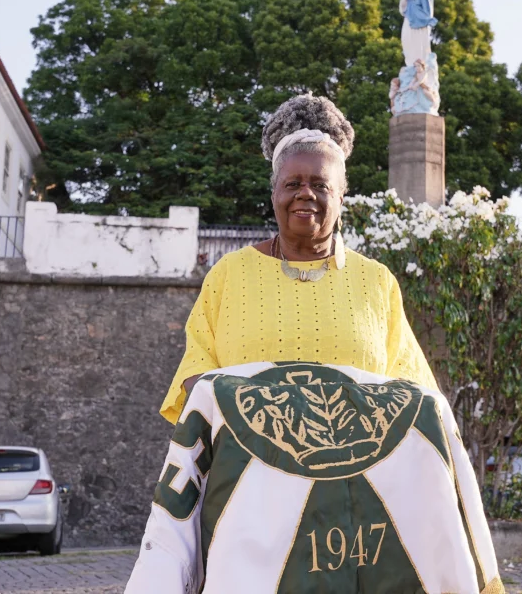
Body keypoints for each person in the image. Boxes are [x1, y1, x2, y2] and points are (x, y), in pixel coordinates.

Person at [160, 94, 439, 424]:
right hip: (249, 470)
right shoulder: (229, 275)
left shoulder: (376, 281)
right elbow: (195, 374)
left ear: (341, 196)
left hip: (354, 471)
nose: (305, 193)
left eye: (321, 185)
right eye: (293, 183)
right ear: (274, 192)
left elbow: (413, 391)